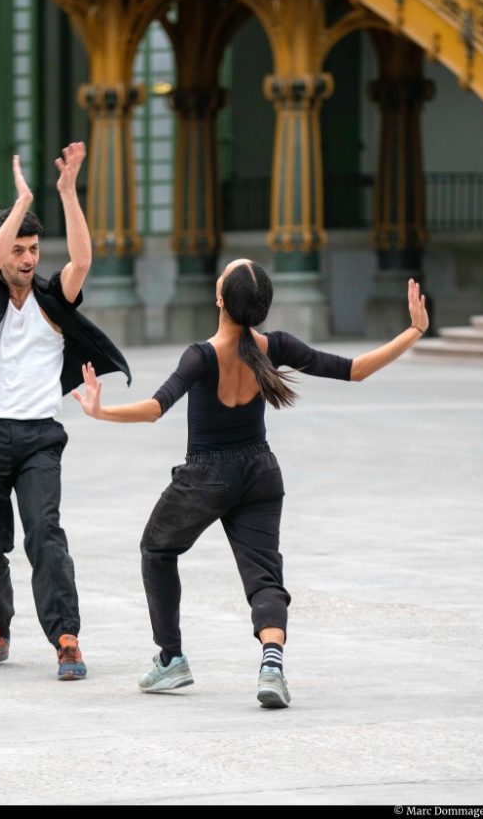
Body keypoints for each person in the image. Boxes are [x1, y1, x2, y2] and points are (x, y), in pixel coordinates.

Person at [71, 258, 429, 708]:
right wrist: (413, 332)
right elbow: (353, 369)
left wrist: (101, 412)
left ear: (219, 298)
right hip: (260, 472)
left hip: (205, 476)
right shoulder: (274, 345)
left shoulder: (200, 356)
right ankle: (272, 666)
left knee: (156, 549)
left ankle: (172, 660)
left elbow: (156, 407)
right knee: (264, 579)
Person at [0, 145, 131, 680]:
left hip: (39, 438)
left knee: (46, 535)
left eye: (34, 248)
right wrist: (20, 202)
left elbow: (81, 260)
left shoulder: (54, 301)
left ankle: (66, 637)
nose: (28, 258)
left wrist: (66, 192)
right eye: (19, 248)